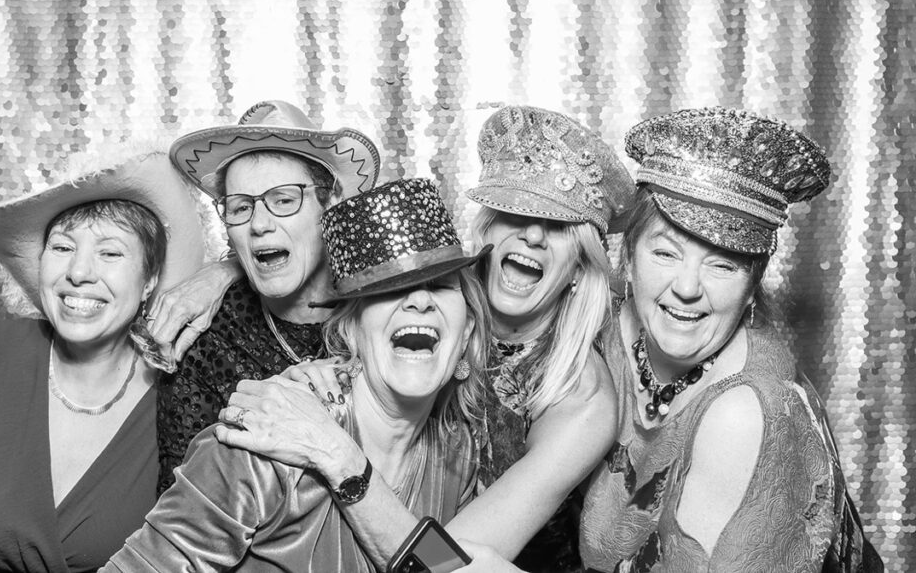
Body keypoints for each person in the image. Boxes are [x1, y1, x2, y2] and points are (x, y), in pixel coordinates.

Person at [216, 105, 636, 570]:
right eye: (518, 212)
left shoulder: (583, 402)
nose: (534, 235)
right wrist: (225, 273)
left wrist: (338, 456)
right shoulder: (429, 301)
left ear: (580, 265)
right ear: (486, 231)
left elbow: (440, 565)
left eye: (559, 226)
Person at [103, 178, 490, 571]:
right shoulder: (267, 432)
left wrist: (340, 458)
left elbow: (447, 570)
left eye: (441, 285)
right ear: (351, 330)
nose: (421, 301)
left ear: (466, 337)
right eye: (390, 289)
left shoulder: (457, 453)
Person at [577, 107, 882, 571]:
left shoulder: (741, 416)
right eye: (665, 252)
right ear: (630, 259)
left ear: (750, 287)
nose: (686, 287)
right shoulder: (603, 329)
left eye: (723, 264)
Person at [0, 149, 208, 572]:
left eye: (110, 253)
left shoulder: (184, 400)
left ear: (149, 280)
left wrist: (226, 273)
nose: (79, 272)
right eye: (62, 247)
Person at [154, 99, 380, 492]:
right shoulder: (207, 340)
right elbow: (183, 501)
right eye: (240, 207)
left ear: (331, 204)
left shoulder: (387, 311)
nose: (259, 224)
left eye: (284, 200)